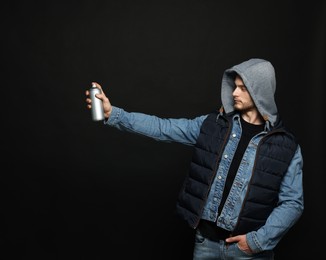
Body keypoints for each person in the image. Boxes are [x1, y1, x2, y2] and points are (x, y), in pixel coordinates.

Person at [85, 58, 304, 259]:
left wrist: (257, 242)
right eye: (235, 86)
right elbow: (164, 128)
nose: (234, 93)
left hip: (248, 252)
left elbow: (293, 203)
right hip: (206, 244)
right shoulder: (212, 125)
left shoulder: (286, 146)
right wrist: (113, 114)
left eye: (243, 88)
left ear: (260, 92)